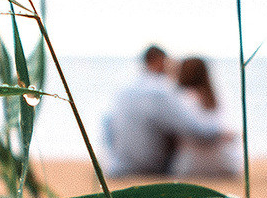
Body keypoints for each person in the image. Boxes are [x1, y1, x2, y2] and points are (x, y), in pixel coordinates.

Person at [103, 45, 229, 176]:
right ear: (161, 61)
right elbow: (192, 128)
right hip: (149, 168)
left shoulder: (123, 91)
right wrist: (220, 133)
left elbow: (107, 124)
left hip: (118, 165)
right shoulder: (161, 90)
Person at [169, 56, 241, 178]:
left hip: (191, 165)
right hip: (225, 163)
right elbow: (229, 129)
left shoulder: (179, 98)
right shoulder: (216, 98)